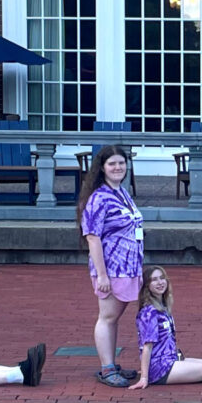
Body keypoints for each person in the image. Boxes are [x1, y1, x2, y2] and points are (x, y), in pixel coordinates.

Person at [79, 145, 144, 388]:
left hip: (129, 267)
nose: (118, 168)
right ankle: (106, 368)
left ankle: (111, 363)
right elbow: (92, 237)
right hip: (112, 268)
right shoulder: (99, 198)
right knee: (107, 317)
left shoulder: (122, 193)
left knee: (114, 318)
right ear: (102, 168)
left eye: (121, 163)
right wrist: (102, 274)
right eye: (112, 164)